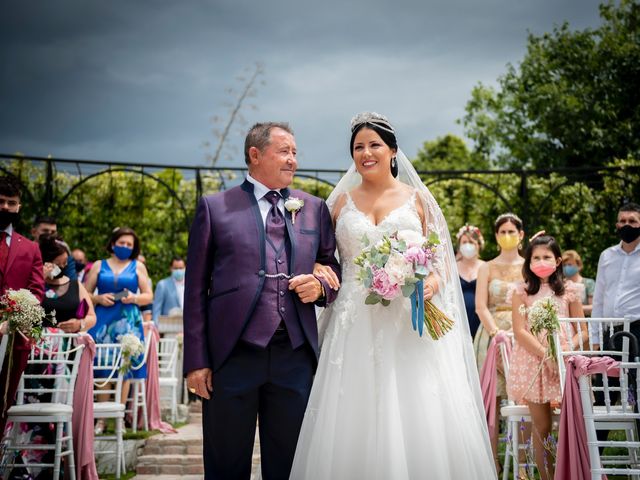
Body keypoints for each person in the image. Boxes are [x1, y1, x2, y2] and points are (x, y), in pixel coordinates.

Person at [290, 113, 495, 479]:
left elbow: (441, 259)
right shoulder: (337, 205)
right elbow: (324, 259)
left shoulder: (418, 201)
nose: (366, 153)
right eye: (358, 147)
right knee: (351, 411)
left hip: (407, 321)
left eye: (374, 145)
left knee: (416, 407)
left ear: (393, 150)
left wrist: (429, 284)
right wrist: (321, 272)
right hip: (353, 321)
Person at [183, 122, 341, 479]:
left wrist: (320, 286)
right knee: (226, 465)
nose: (293, 161)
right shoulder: (215, 208)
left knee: (290, 466)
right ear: (255, 155)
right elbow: (195, 289)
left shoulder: (314, 208)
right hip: (232, 356)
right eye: (284, 152)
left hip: (294, 356)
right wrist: (196, 361)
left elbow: (332, 267)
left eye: (295, 153)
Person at [7, 235, 97, 478]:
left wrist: (79, 323)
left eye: (65, 263)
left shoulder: (75, 285)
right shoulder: (30, 283)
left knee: (57, 414)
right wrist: (39, 279)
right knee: (27, 410)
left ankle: (55, 468)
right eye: (57, 262)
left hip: (63, 362)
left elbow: (91, 316)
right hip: (32, 361)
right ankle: (23, 469)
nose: (61, 267)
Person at [508, 234, 586, 480]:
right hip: (534, 362)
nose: (541, 261)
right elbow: (520, 332)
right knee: (542, 426)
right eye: (536, 258)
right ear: (528, 262)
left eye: (546, 257)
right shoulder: (521, 291)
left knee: (569, 424)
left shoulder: (569, 291)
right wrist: (546, 355)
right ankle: (547, 476)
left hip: (564, 362)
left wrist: (562, 352)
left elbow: (582, 329)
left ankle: (571, 472)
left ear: (558, 260)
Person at [472, 212, 525, 466]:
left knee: (523, 398)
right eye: (502, 232)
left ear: (521, 235)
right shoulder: (486, 267)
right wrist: (497, 334)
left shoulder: (528, 266)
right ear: (496, 236)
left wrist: (518, 334)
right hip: (491, 337)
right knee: (491, 401)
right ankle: (491, 463)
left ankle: (524, 463)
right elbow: (481, 306)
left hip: (522, 336)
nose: (507, 236)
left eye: (511, 231)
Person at [84, 227, 153, 416]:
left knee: (126, 367)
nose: (125, 246)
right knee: (102, 366)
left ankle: (119, 416)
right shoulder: (98, 265)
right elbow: (84, 294)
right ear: (113, 244)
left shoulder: (138, 266)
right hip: (102, 321)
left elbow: (149, 296)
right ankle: (102, 419)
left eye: (129, 244)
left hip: (128, 321)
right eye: (122, 243)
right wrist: (97, 299)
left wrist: (134, 298)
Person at [0, 175, 45, 435]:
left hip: (13, 339)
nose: (5, 207)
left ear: (19, 207)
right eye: (1, 202)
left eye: (11, 202)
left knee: (3, 401)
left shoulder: (30, 248)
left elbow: (36, 290)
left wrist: (15, 316)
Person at [456, 224, 485, 338]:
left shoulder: (486, 267)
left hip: (480, 321)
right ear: (459, 246)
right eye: (464, 242)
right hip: (458, 321)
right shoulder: (452, 268)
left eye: (471, 242)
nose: (468, 245)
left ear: (478, 245)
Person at [31, 216, 77, 280]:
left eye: (53, 232)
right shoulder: (25, 252)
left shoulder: (63, 253)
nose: (49, 234)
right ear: (33, 232)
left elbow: (72, 282)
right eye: (45, 231)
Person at [152, 256, 186, 325]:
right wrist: (157, 328)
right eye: (175, 268)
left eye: (181, 268)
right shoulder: (163, 285)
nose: (178, 270)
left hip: (187, 327)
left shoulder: (191, 285)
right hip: (169, 328)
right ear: (171, 269)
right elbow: (157, 310)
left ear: (185, 268)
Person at [561, 249, 595, 316]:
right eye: (564, 265)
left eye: (570, 264)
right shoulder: (560, 284)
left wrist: (574, 309)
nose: (566, 267)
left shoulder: (588, 283)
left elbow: (593, 307)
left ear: (579, 265)